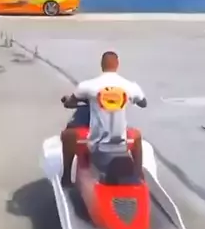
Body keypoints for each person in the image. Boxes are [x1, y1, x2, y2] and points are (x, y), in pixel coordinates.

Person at [60, 51, 147, 186]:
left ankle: (66, 177)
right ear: (117, 64)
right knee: (137, 136)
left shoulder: (87, 86)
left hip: (97, 146)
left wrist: (83, 100)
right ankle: (138, 174)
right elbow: (143, 103)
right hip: (121, 145)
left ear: (102, 65)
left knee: (67, 135)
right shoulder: (130, 86)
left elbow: (69, 103)